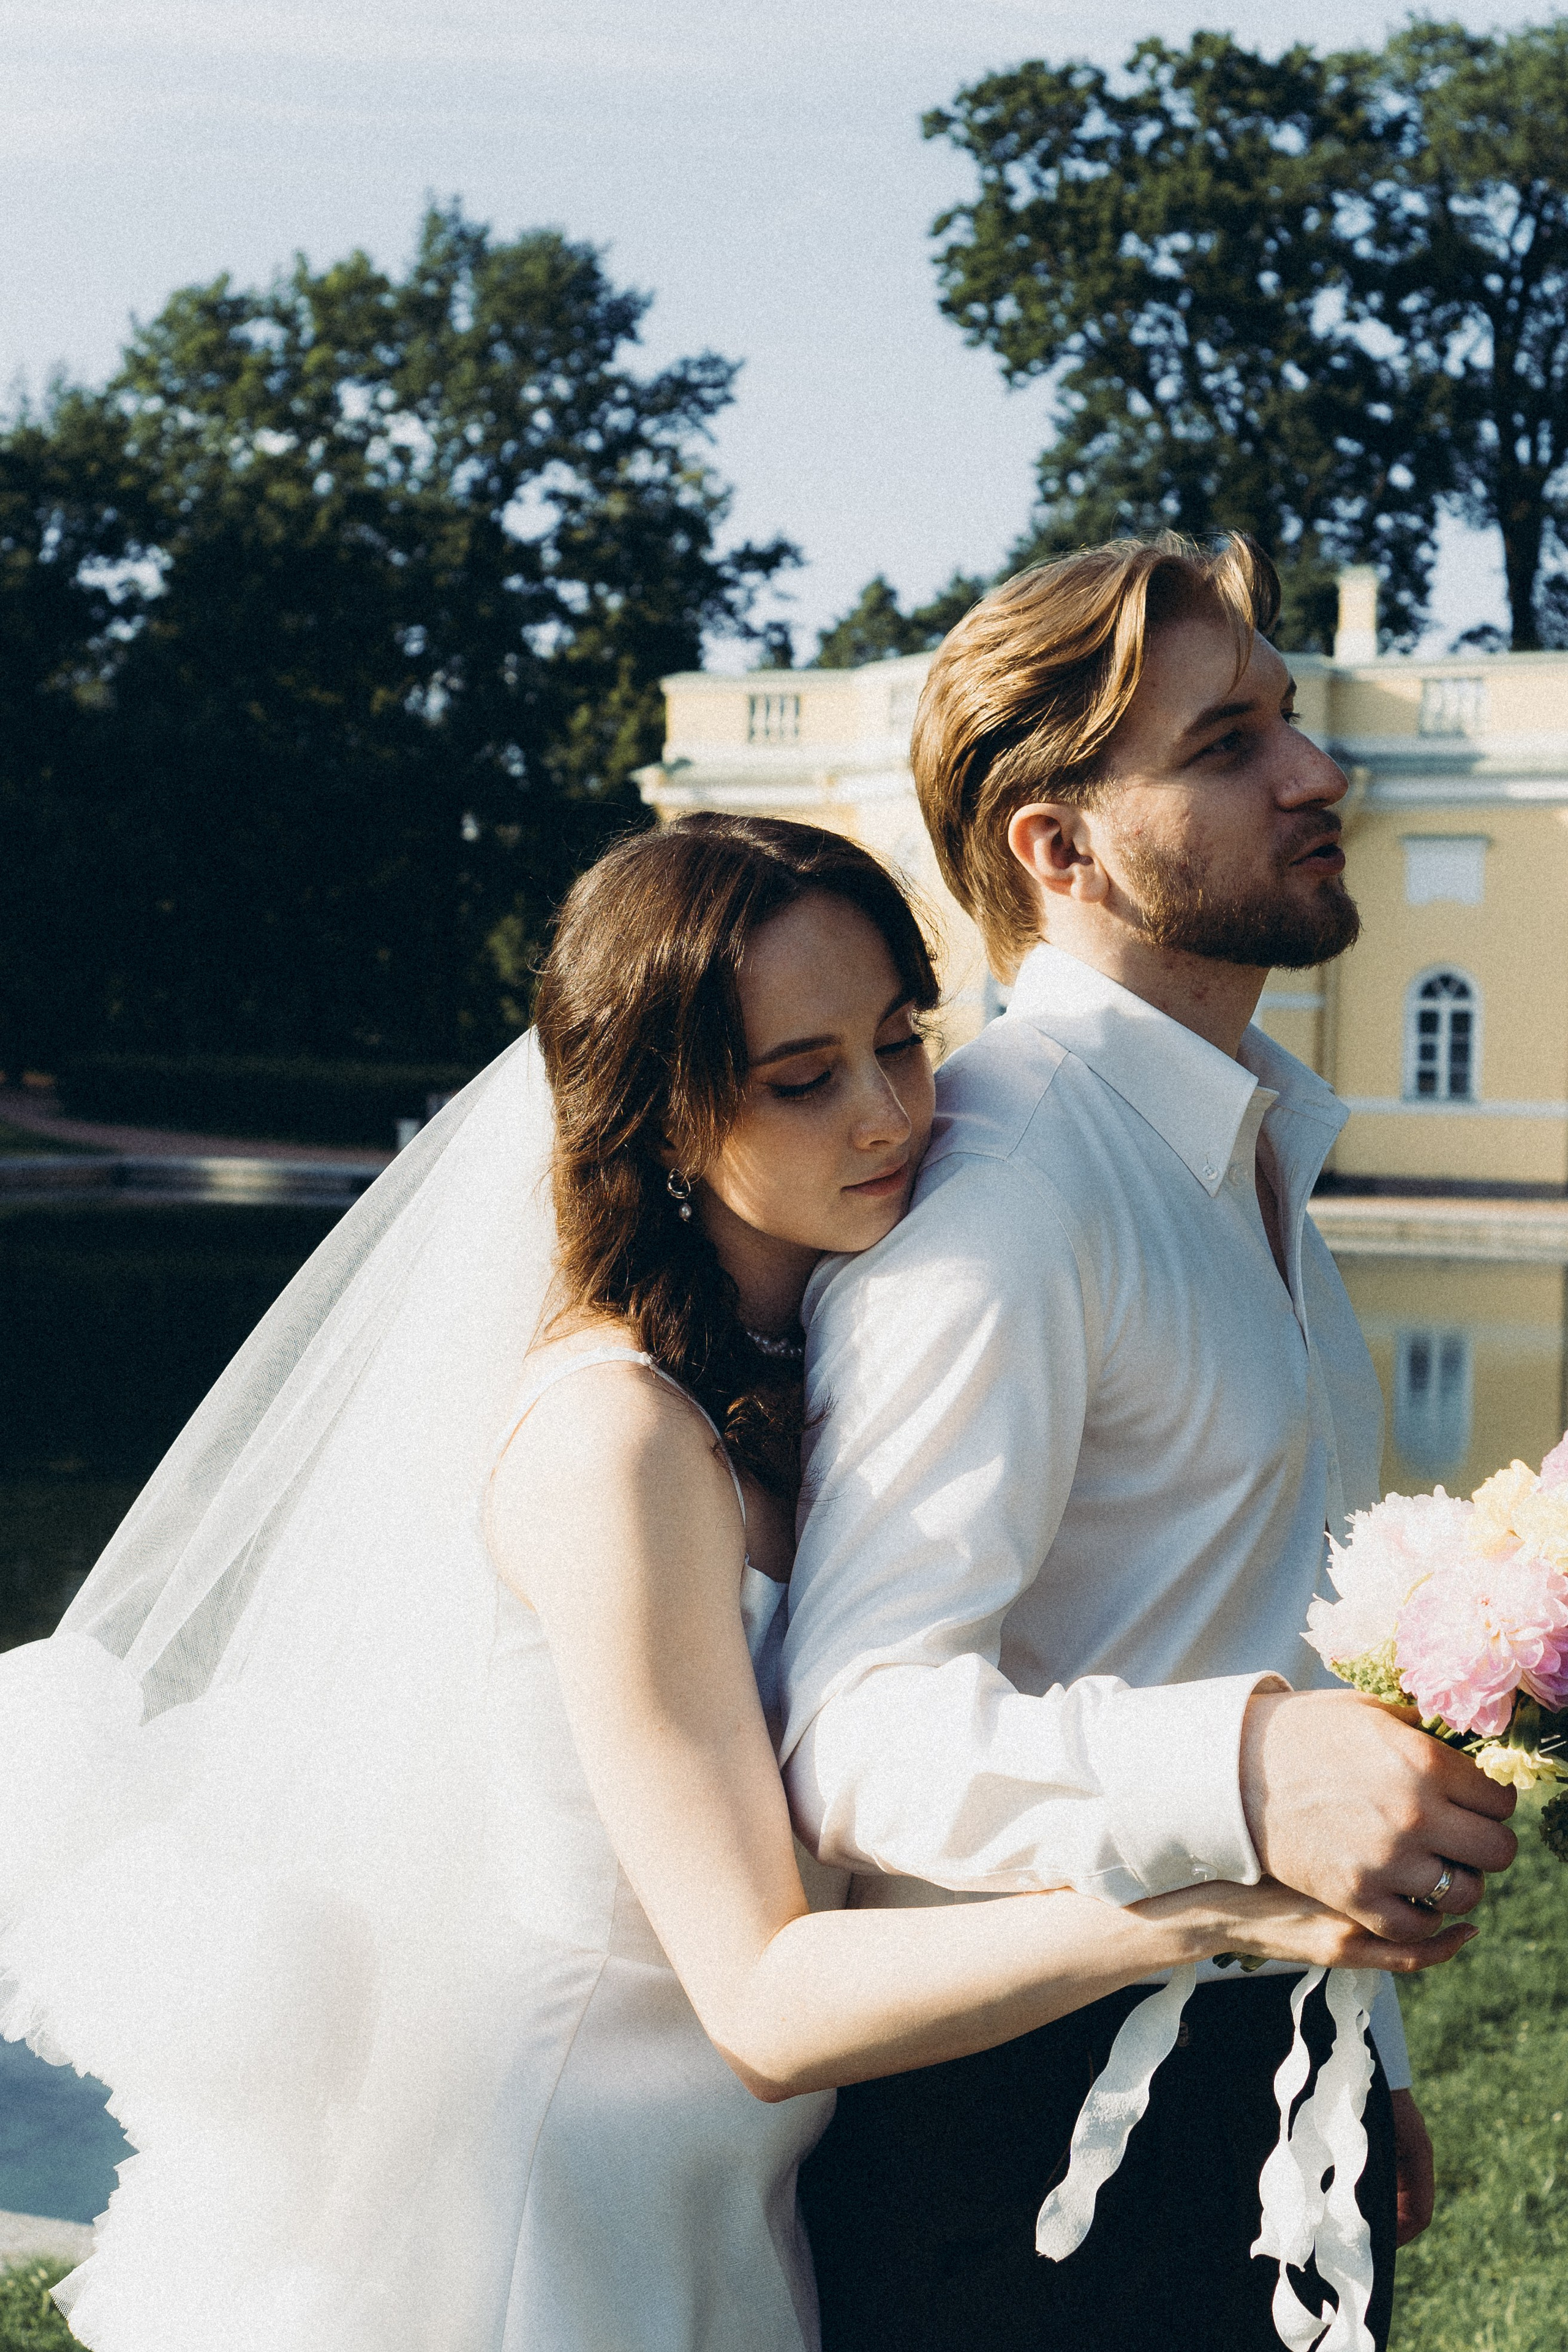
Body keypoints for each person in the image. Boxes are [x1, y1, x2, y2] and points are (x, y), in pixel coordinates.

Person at [0, 814, 1464, 2352]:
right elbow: (762, 2001)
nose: (893, 1112)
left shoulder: (810, 1359)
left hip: (753, 2181)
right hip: (567, 2199)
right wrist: (1202, 1901)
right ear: (658, 1117)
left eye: (900, 1040)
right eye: (800, 1077)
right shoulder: (614, 1442)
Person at [781, 541, 1518, 2352]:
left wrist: (1368, 2049)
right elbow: (856, 1733)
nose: (1317, 771)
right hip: (1021, 2156)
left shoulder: (1257, 1151)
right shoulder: (1016, 1190)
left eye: (1292, 719)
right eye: (1230, 742)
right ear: (1061, 845)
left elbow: (1269, 1627)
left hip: (1263, 2078)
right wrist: (1258, 1776)